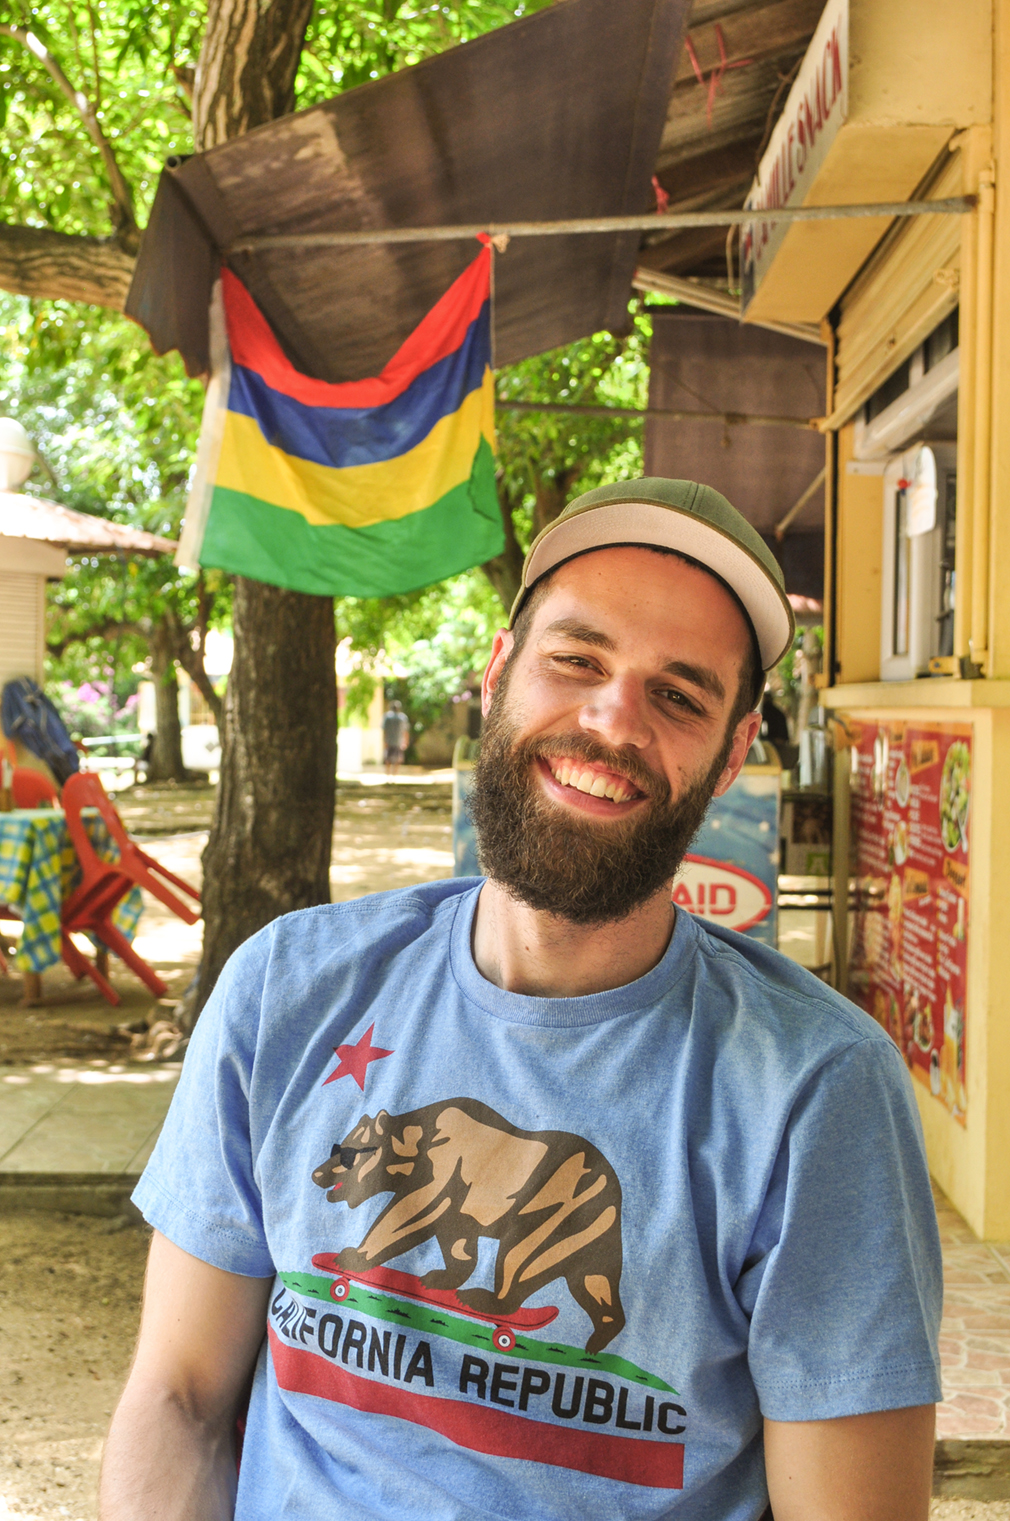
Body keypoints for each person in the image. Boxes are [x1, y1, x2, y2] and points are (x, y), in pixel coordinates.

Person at [101, 478, 941, 1521]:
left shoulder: (816, 1090)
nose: (610, 717)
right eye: (575, 659)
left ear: (731, 753)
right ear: (497, 672)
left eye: (676, 695)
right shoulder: (288, 990)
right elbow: (178, 1398)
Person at [382, 698, 410, 776]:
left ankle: (388, 774)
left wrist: (384, 741)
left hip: (389, 741)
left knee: (388, 759)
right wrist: (405, 741)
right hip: (398, 741)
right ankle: (394, 774)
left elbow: (385, 731)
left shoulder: (387, 717)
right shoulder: (402, 717)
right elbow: (405, 731)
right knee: (397, 759)